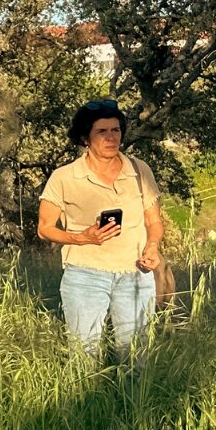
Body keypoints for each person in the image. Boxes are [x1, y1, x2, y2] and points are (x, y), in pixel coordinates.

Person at [37, 100, 165, 355]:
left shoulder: (139, 170)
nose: (111, 137)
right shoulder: (64, 176)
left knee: (135, 355)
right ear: (85, 138)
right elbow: (44, 228)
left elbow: (154, 221)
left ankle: (132, 385)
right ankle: (87, 384)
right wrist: (82, 237)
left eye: (115, 130)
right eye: (102, 131)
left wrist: (152, 247)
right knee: (84, 354)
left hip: (136, 272)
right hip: (85, 275)